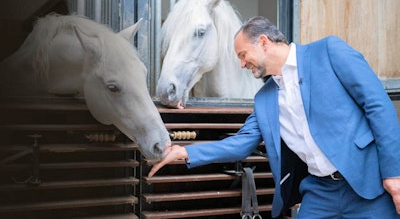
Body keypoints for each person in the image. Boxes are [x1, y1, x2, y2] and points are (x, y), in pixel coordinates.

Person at [149, 16, 400, 218]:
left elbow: (378, 106)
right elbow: (242, 143)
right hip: (320, 193)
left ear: (264, 42)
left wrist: (393, 174)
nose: (242, 64)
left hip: (368, 185)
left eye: (242, 54)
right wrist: (186, 152)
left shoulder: (329, 51)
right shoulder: (264, 99)